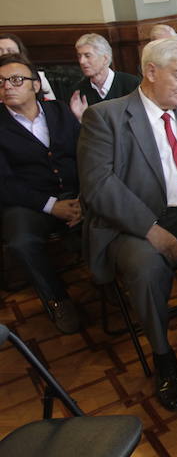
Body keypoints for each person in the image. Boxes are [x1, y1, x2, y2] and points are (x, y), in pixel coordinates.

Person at [77, 38, 177, 412]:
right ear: (151, 72)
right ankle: (163, 355)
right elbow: (98, 187)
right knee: (147, 267)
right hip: (132, 223)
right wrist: (152, 230)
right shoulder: (106, 117)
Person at [0, 53, 82, 333]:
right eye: (1, 82)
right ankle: (57, 299)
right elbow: (4, 183)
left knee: (111, 211)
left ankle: (110, 283)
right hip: (28, 204)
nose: (7, 86)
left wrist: (83, 198)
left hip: (75, 194)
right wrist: (51, 206)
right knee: (21, 241)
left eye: (15, 79)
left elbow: (84, 155)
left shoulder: (59, 110)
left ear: (35, 85)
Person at [68, 33, 140, 122]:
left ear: (105, 59)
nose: (82, 61)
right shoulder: (78, 92)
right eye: (79, 56)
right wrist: (80, 118)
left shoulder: (131, 84)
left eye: (87, 56)